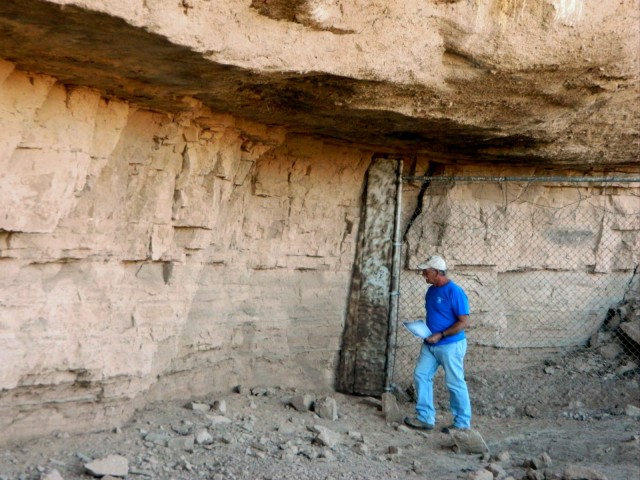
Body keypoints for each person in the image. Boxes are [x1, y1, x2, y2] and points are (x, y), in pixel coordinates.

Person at [404, 255, 472, 432]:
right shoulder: (432, 290)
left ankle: (462, 423)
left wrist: (441, 334)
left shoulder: (454, 291)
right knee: (421, 375)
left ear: (437, 272)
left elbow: (464, 322)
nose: (423, 275)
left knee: (454, 382)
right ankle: (425, 417)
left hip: (450, 344)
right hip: (431, 343)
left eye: (426, 272)